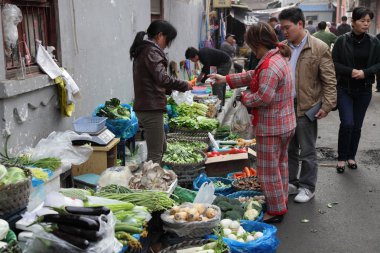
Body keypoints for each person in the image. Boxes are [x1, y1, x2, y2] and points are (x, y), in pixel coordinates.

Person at [209, 22, 296, 223]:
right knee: (281, 166)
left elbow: (263, 98)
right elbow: (253, 76)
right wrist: (226, 79)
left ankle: (275, 211)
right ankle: (280, 202)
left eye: (250, 44)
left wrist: (244, 99)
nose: (248, 48)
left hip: (271, 127)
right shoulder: (275, 57)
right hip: (285, 124)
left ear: (257, 43)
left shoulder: (270, 65)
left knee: (267, 172)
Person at [279, 7, 337, 203]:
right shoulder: (283, 47)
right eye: (282, 28)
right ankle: (292, 182)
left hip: (307, 106)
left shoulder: (318, 47)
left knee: (308, 150)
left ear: (300, 24)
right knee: (289, 148)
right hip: (287, 106)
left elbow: (329, 80)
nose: (284, 32)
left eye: (287, 28)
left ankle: (308, 187)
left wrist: (327, 105)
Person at [130, 20, 192, 164]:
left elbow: (154, 80)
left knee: (162, 147)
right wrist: (184, 85)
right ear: (160, 35)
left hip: (146, 106)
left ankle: (154, 179)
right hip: (151, 108)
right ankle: (151, 185)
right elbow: (162, 78)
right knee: (155, 155)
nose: (167, 44)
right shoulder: (152, 51)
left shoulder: (144, 50)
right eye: (168, 40)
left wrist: (172, 90)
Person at [332, 7, 380, 173]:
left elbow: (378, 64)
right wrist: (350, 71)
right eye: (362, 21)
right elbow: (334, 63)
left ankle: (351, 156)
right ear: (353, 22)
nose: (366, 24)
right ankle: (341, 158)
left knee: (357, 126)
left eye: (368, 21)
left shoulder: (374, 42)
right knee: (347, 123)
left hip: (364, 90)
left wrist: (365, 72)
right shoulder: (341, 41)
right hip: (344, 88)